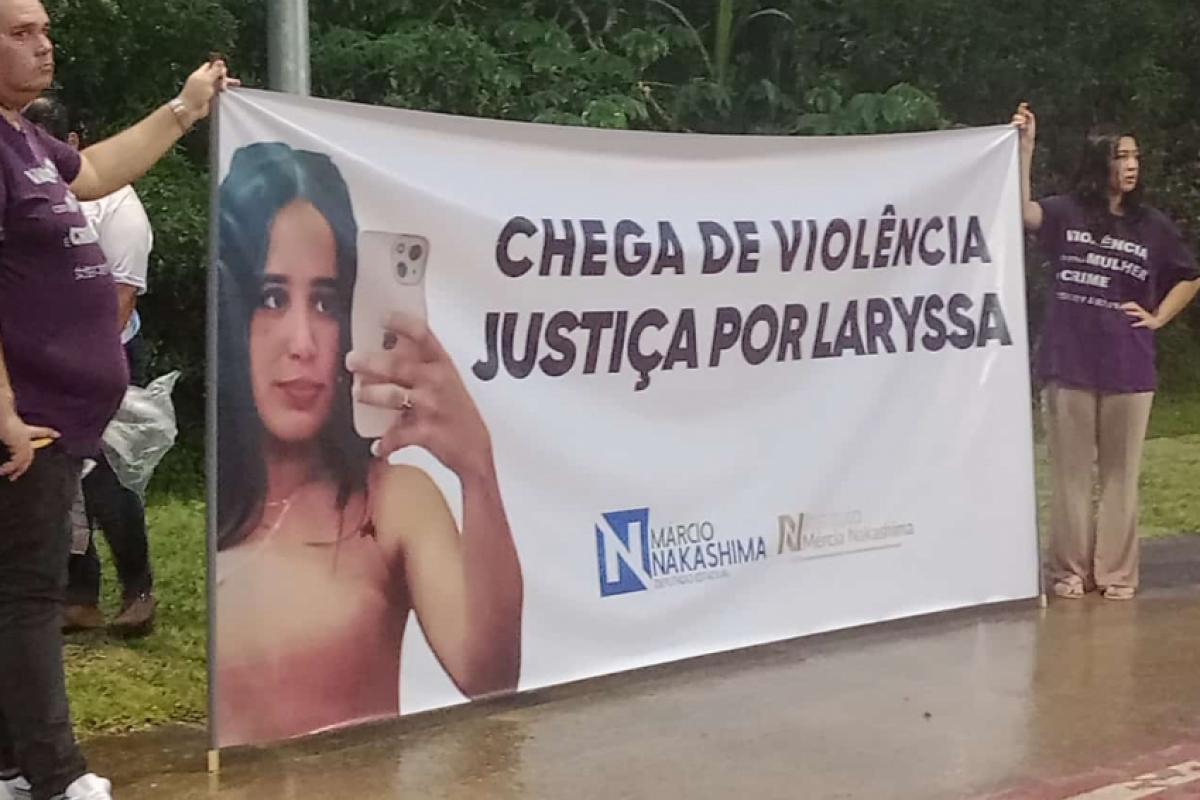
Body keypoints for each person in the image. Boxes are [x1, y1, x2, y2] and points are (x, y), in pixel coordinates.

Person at [214, 142, 524, 746]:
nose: (302, 342)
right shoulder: (209, 508)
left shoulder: (393, 503)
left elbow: (491, 677)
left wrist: (478, 471)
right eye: (272, 298)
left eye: (325, 302)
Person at [0, 0, 234, 795]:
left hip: (58, 418)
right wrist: (3, 410)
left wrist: (185, 109)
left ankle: (12, 767)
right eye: (20, 33)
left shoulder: (26, 139)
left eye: (44, 30)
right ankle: (57, 776)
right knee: (28, 598)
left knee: (17, 594)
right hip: (26, 419)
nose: (44, 46)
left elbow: (97, 171)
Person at [1012, 102, 1200, 601]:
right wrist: (1026, 149)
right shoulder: (1067, 212)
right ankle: (1068, 570)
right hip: (1068, 361)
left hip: (1128, 364)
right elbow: (1022, 213)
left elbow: (1189, 276)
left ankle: (1116, 572)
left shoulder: (1152, 225)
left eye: (1135, 157)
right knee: (1070, 475)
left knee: (1120, 476)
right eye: (1121, 157)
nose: (1132, 166)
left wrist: (1158, 316)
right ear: (1100, 163)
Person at [22, 94, 158, 637]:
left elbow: (121, 299)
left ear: (71, 144)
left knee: (106, 475)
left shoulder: (118, 208)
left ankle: (138, 591)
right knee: (55, 480)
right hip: (40, 357)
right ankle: (79, 596)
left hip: (106, 354)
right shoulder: (27, 193)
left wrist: (82, 368)